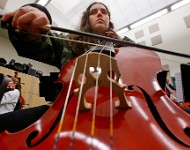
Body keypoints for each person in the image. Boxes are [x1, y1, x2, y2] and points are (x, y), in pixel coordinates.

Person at [0, 2, 134, 132]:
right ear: (87, 20)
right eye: (93, 12)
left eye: (103, 12)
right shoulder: (70, 43)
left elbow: (147, 63)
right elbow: (44, 43)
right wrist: (33, 34)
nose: (99, 14)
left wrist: (122, 41)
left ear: (108, 19)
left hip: (120, 106)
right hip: (67, 109)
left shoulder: (123, 49)